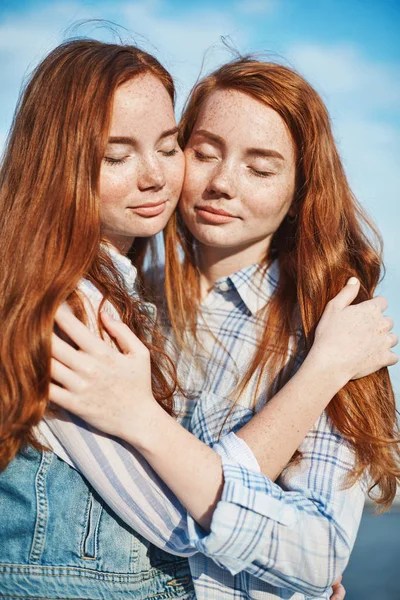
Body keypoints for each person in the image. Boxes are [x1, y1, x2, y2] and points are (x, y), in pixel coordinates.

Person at [47, 58, 399, 599]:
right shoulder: (128, 305)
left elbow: (319, 550)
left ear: (300, 193)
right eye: (203, 153)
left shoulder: (328, 330)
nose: (221, 184)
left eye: (260, 169)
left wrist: (323, 366)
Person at [0, 38, 195, 599]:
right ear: (57, 164)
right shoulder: (70, 305)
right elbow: (170, 520)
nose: (154, 175)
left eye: (168, 145)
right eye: (117, 156)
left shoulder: (114, 291)